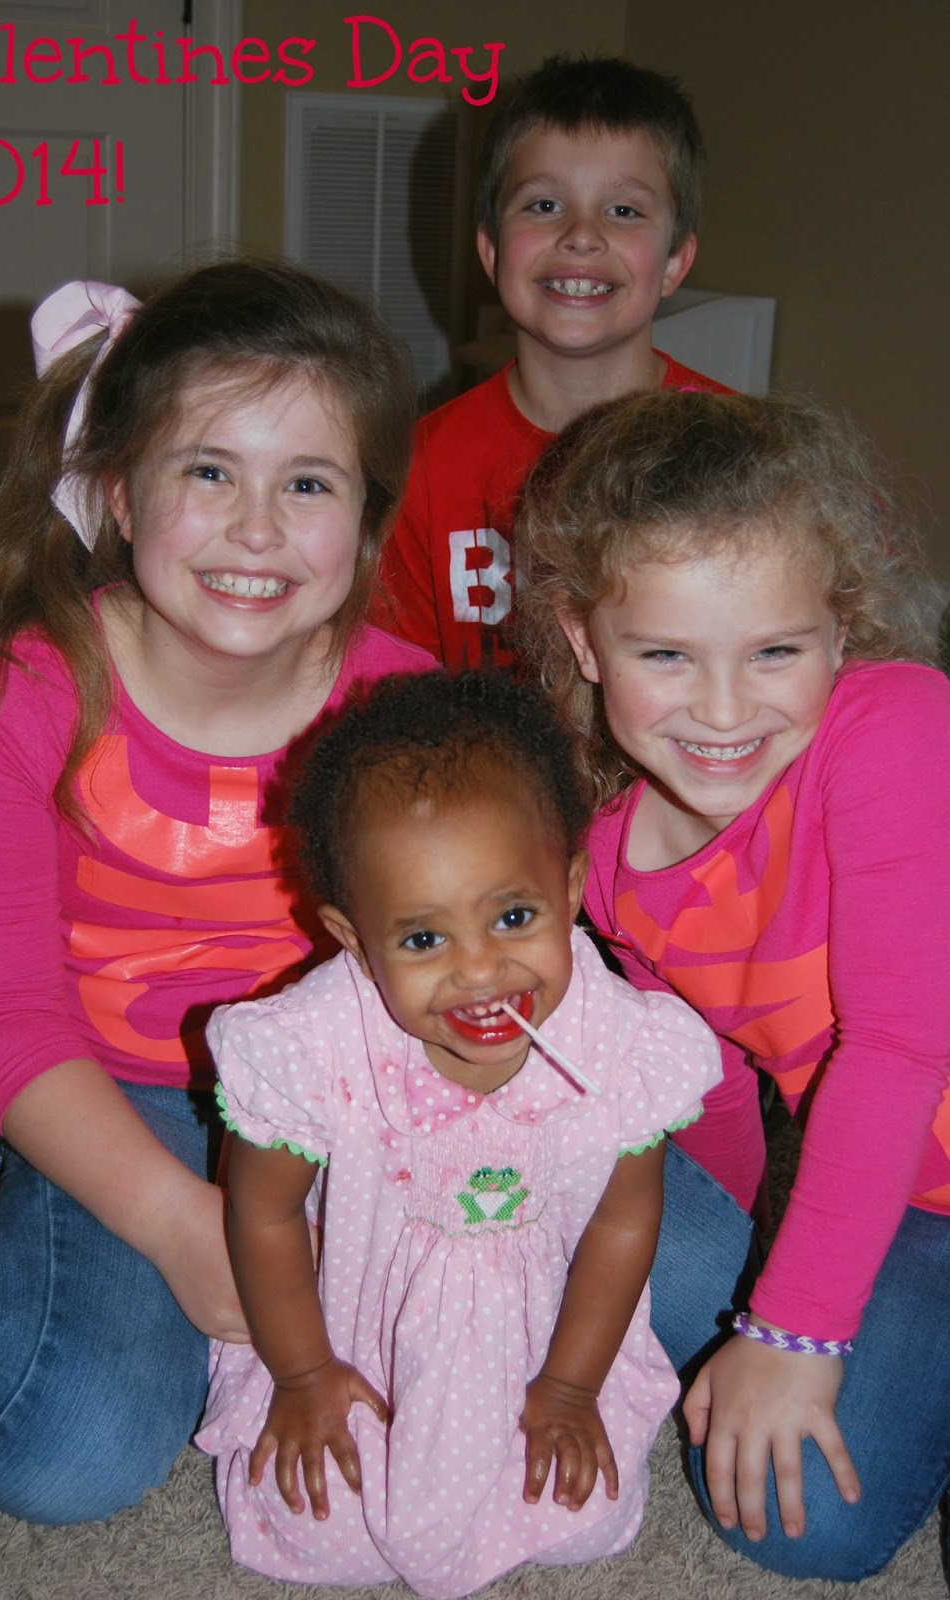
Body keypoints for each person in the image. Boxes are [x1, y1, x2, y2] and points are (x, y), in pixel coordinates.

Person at [0, 259, 435, 1524]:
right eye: (209, 472)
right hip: (110, 1082)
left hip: (347, 1089)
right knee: (63, 1450)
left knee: (609, 1306)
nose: (258, 529)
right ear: (120, 491)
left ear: (366, 517)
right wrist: (182, 1225)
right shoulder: (13, 701)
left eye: (309, 483)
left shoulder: (409, 708)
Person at [515, 388, 950, 1582]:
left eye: (775, 652)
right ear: (584, 641)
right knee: (791, 1515)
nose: (721, 710)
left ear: (840, 633)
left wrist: (795, 1324)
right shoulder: (609, 868)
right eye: (666, 654)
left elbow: (900, 1046)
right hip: (914, 1208)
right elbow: (710, 1091)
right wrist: (773, 1279)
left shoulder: (897, 725)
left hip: (909, 1130)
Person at [196, 670, 721, 1599]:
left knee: (587, 1517)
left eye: (513, 918)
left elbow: (621, 1221)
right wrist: (304, 1373)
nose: (480, 972)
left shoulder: (619, 1044)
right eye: (421, 940)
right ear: (352, 940)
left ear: (568, 887)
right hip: (359, 1322)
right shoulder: (313, 1046)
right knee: (320, 1532)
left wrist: (570, 1386)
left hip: (539, 1325)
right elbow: (266, 1213)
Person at [375, 54, 730, 672]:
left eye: (624, 211)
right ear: (492, 252)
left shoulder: (749, 459)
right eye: (544, 205)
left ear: (675, 261)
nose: (581, 235)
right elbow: (393, 684)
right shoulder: (419, 471)